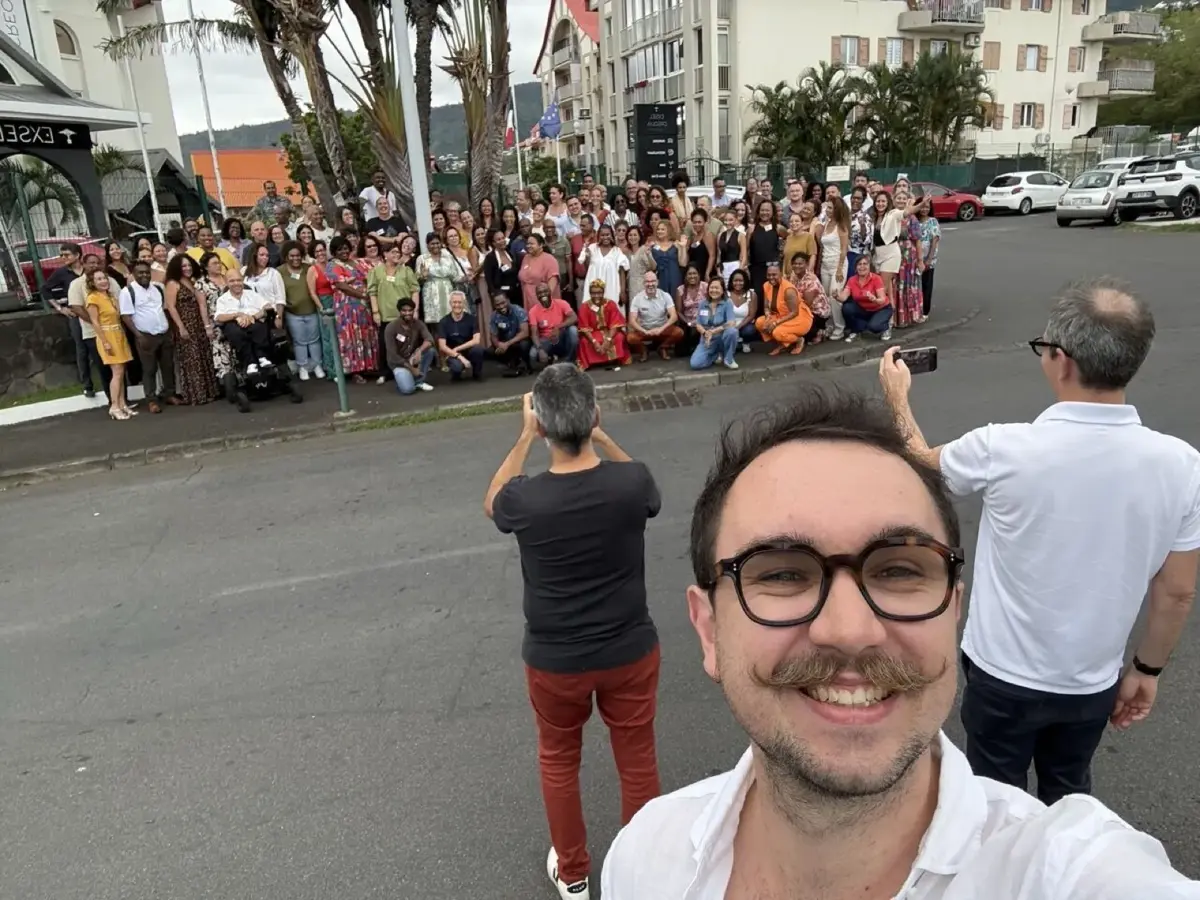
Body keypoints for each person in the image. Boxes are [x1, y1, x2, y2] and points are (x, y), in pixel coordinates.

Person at [600, 387, 1200, 899]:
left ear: (954, 610)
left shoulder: (1067, 872)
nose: (850, 630)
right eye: (782, 573)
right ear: (709, 629)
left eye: (899, 570)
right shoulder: (643, 860)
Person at [880, 278, 1200, 808]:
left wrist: (897, 397)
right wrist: (1146, 670)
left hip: (1002, 673)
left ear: (1062, 360)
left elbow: (921, 461)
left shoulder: (1003, 448)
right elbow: (1178, 591)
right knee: (1069, 796)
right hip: (1091, 680)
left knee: (995, 800)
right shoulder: (1183, 466)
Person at [484, 368, 663, 900]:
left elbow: (492, 500)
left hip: (555, 659)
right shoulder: (631, 484)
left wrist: (523, 436)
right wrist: (602, 436)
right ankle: (641, 871)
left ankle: (574, 871)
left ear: (541, 426)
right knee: (637, 759)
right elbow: (647, 489)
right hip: (629, 649)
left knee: (560, 760)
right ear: (595, 415)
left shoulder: (526, 499)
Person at [119, 259, 179, 413]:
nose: (144, 275)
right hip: (145, 335)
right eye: (140, 273)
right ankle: (151, 400)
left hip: (163, 333)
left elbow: (164, 309)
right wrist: (139, 336)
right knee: (149, 369)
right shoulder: (128, 292)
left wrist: (170, 331)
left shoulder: (158, 288)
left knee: (168, 366)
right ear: (133, 274)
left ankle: (170, 394)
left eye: (147, 272)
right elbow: (126, 316)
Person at [84, 270, 135, 420]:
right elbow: (95, 322)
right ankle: (114, 406)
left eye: (104, 278)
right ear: (92, 282)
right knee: (117, 371)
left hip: (118, 333)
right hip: (107, 334)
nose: (103, 281)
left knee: (121, 370)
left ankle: (122, 404)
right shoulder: (93, 298)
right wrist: (105, 341)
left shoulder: (111, 296)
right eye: (98, 279)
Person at [368, 242, 421, 383]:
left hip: (405, 316)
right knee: (385, 344)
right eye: (393, 252)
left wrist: (415, 310)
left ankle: (410, 371)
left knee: (407, 344)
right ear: (385, 254)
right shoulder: (376, 271)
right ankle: (385, 373)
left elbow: (415, 290)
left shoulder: (406, 271)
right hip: (385, 315)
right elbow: (372, 292)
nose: (397, 254)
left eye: (398, 252)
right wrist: (375, 312)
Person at [278, 240, 324, 381]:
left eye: (298, 255)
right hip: (293, 313)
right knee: (299, 341)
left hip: (311, 310)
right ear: (286, 256)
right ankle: (302, 366)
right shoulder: (280, 271)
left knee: (314, 340)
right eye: (292, 256)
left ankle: (317, 365)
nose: (295, 258)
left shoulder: (309, 268)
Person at [213, 270, 274, 374]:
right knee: (234, 330)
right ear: (227, 282)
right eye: (232, 281)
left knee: (260, 326)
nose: (236, 283)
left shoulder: (252, 294)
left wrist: (253, 317)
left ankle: (262, 357)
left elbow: (268, 306)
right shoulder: (222, 299)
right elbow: (218, 317)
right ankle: (250, 362)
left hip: (254, 321)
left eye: (239, 280)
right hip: (235, 324)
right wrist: (237, 315)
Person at [755, 261, 812, 356]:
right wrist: (768, 317)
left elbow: (794, 312)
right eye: (769, 275)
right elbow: (766, 307)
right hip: (780, 315)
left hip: (799, 318)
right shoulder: (766, 285)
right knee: (760, 323)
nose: (771, 277)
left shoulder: (788, 289)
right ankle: (784, 343)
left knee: (777, 332)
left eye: (774, 275)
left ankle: (798, 340)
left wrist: (775, 323)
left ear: (780, 274)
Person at [626, 271, 684, 362]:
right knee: (630, 338)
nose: (650, 284)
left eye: (653, 281)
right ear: (643, 283)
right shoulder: (637, 298)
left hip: (662, 328)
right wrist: (644, 331)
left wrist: (661, 329)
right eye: (647, 282)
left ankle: (662, 348)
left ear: (657, 282)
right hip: (645, 330)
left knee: (679, 332)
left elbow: (674, 316)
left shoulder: (665, 295)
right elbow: (632, 321)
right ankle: (644, 350)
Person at [577, 279, 631, 371]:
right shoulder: (585, 306)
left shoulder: (610, 304)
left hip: (609, 332)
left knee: (619, 337)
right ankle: (594, 362)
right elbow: (584, 328)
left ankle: (614, 359)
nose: (596, 296)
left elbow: (616, 324)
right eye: (593, 293)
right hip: (592, 333)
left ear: (603, 292)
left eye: (599, 293)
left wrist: (608, 339)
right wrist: (594, 342)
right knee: (584, 342)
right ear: (590, 293)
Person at [384, 297, 436, 394]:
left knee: (430, 351)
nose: (407, 313)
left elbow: (430, 340)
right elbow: (393, 356)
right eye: (404, 311)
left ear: (413, 311)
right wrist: (412, 369)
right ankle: (406, 379)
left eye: (410, 310)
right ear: (399, 311)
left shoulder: (418, 323)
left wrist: (419, 351)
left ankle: (419, 381)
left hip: (412, 358)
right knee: (408, 390)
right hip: (399, 363)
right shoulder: (391, 327)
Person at [689, 274, 739, 370]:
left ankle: (728, 359)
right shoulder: (703, 303)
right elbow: (698, 324)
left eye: (717, 288)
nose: (714, 290)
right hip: (707, 339)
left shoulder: (727, 303)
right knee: (695, 364)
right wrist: (705, 333)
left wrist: (713, 331)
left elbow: (731, 323)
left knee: (732, 331)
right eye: (711, 287)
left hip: (722, 337)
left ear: (722, 290)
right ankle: (715, 356)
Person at [839, 255, 894, 342]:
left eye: (865, 264)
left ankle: (886, 328)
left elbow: (882, 299)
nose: (862, 266)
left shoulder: (876, 278)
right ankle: (856, 330)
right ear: (856, 267)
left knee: (874, 327)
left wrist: (874, 299)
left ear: (869, 266)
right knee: (847, 308)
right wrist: (836, 296)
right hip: (864, 309)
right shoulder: (852, 280)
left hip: (881, 308)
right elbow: (843, 297)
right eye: (859, 264)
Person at [528, 283, 578, 369]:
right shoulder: (533, 311)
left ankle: (569, 359)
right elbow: (534, 334)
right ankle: (550, 359)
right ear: (536, 295)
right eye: (540, 293)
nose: (543, 294)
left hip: (561, 336)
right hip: (546, 339)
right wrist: (540, 349)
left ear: (550, 292)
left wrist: (558, 327)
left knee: (573, 330)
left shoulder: (561, 303)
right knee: (533, 354)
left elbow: (574, 317)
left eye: (545, 291)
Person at [437, 290, 484, 381]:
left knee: (478, 350)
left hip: (468, 350)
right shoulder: (443, 322)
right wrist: (459, 356)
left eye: (459, 302)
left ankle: (477, 372)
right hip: (452, 353)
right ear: (450, 303)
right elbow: (442, 346)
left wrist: (458, 348)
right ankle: (456, 373)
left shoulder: (472, 319)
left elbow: (476, 340)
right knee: (457, 368)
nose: (457, 305)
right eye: (454, 302)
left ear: (464, 303)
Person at [488, 290, 532, 377]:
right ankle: (511, 363)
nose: (501, 306)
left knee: (524, 345)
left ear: (508, 300)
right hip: (505, 342)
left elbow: (525, 332)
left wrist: (507, 344)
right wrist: (498, 345)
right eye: (497, 305)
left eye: (503, 303)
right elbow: (493, 335)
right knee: (489, 351)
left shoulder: (518, 310)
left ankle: (527, 365)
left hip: (519, 341)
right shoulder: (494, 316)